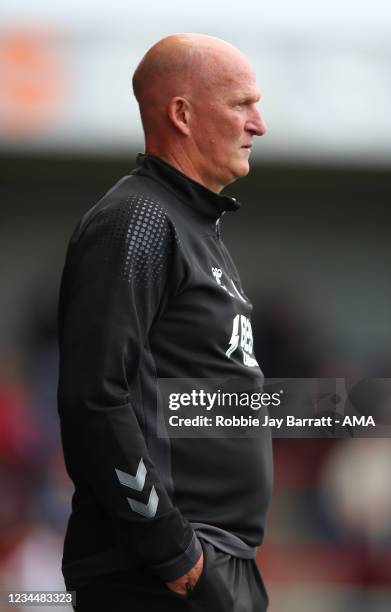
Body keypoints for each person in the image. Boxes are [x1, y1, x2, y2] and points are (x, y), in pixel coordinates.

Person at [58, 33, 272, 611]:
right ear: (182, 113)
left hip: (213, 561)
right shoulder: (140, 219)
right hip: (156, 572)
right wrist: (176, 555)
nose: (259, 124)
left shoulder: (194, 227)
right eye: (242, 104)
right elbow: (94, 398)